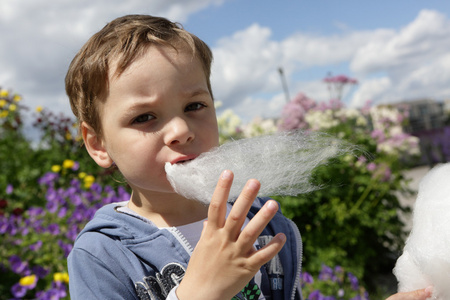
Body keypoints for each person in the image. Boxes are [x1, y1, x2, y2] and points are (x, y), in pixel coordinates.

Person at [65, 14, 432, 300]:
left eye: (195, 106)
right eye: (144, 117)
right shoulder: (102, 255)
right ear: (97, 143)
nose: (181, 130)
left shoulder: (263, 222)